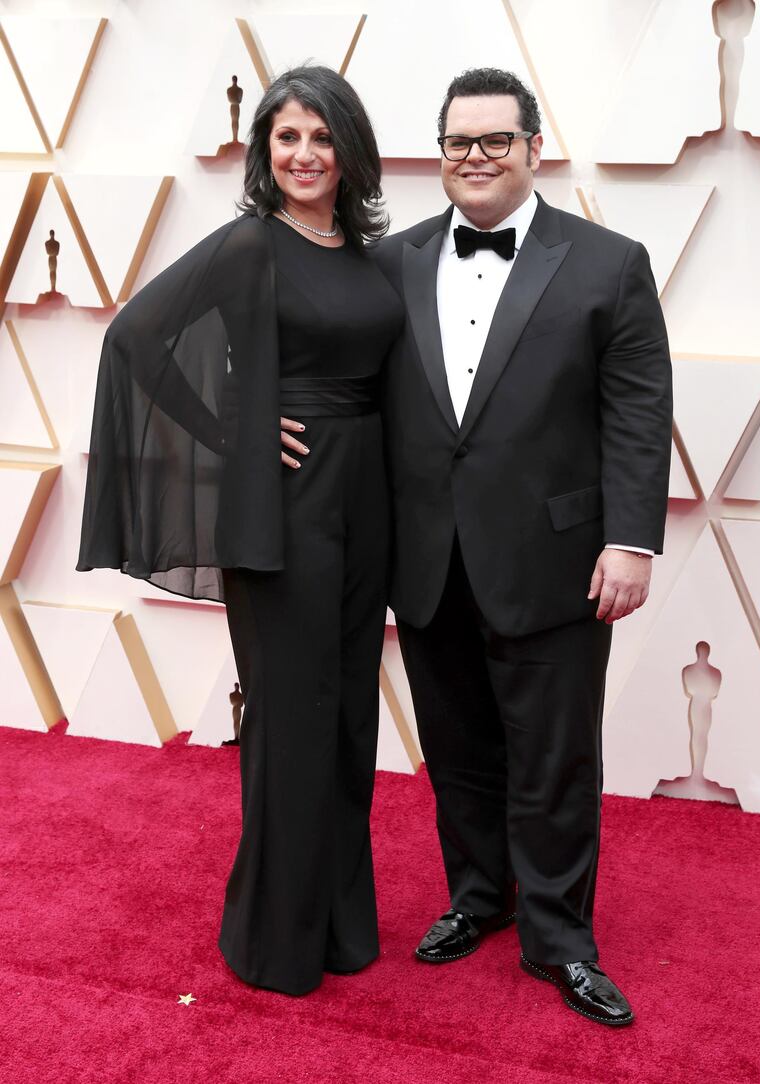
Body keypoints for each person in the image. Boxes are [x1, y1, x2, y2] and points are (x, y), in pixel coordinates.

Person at [77, 66, 403, 996]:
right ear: (266, 150)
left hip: (366, 500)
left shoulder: (362, 253)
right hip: (286, 510)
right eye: (286, 137)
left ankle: (340, 925)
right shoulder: (249, 245)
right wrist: (239, 431)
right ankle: (273, 939)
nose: (303, 154)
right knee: (291, 721)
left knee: (346, 718)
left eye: (320, 137)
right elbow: (134, 339)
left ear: (349, 149)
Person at [374, 68, 672, 1026]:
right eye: (458, 142)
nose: (474, 158)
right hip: (425, 555)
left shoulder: (608, 260)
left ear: (534, 148)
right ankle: (478, 896)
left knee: (552, 757)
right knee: (457, 748)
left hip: (558, 556)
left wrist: (632, 539)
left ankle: (559, 937)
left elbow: (636, 410)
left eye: (494, 141)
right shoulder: (392, 261)